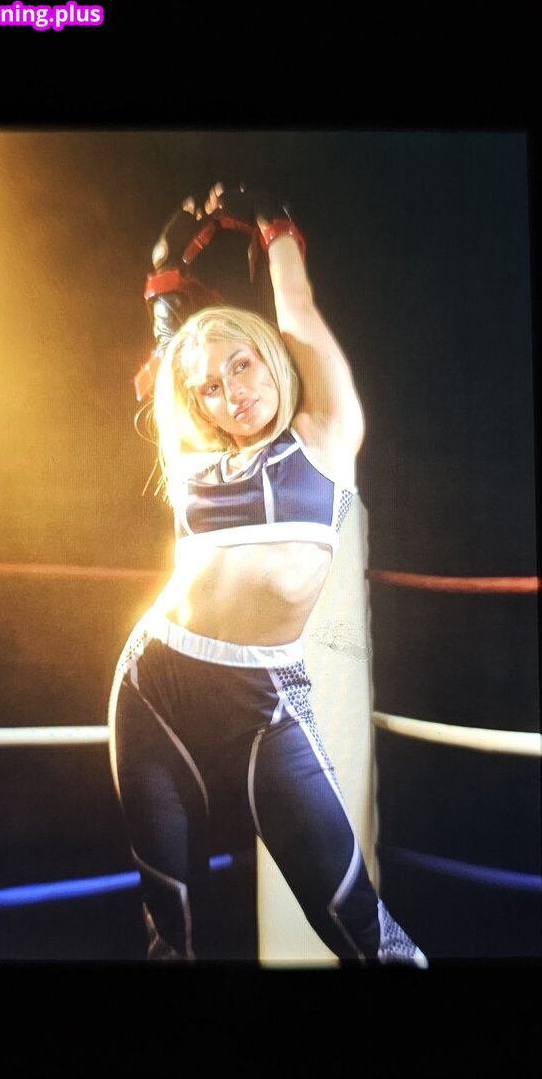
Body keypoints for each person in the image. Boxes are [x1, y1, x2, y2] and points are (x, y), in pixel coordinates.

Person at [108, 181, 427, 966]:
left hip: (265, 702)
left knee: (360, 928)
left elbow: (298, 310)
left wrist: (272, 225)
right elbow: (173, 340)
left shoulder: (324, 438)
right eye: (210, 389)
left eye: (241, 365)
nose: (231, 392)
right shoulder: (191, 459)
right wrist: (163, 263)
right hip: (152, 686)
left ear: (267, 355)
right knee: (171, 931)